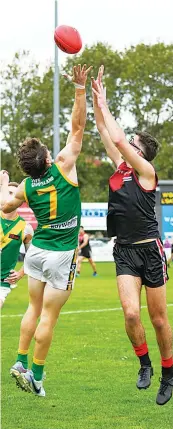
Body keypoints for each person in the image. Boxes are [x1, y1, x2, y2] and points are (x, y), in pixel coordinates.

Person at [0, 64, 92, 397]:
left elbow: (8, 208)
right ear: (48, 160)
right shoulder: (65, 167)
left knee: (32, 310)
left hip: (35, 253)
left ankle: (19, 361)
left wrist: (8, 190)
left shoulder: (25, 186)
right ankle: (35, 377)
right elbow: (78, 127)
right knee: (49, 316)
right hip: (61, 255)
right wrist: (80, 89)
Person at [92, 66, 173, 406]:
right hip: (124, 250)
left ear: (140, 152)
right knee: (129, 314)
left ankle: (169, 374)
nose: (126, 145)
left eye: (132, 144)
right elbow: (103, 130)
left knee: (157, 318)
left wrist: (108, 105)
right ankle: (145, 365)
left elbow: (120, 139)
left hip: (150, 251)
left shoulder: (145, 170)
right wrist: (94, 96)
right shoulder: (120, 167)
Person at [0, 181, 33, 308]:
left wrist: (20, 273)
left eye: (13, 194)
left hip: (2, 283)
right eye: (7, 192)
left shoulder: (26, 228)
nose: (10, 197)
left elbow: (32, 256)